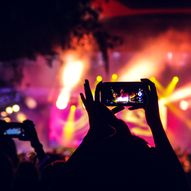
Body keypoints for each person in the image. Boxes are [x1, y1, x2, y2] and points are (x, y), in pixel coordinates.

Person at [42, 79, 191, 191]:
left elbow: (58, 184)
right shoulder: (153, 182)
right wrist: (155, 123)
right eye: (147, 149)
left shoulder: (93, 181)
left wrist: (93, 133)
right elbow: (179, 183)